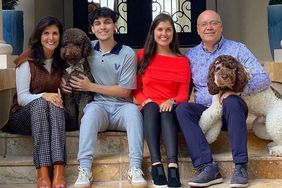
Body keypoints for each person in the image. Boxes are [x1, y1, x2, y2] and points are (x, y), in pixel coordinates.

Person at [175, 10, 271, 188]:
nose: (209, 27)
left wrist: (239, 91)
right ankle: (208, 167)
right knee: (182, 110)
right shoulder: (191, 55)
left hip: (231, 111)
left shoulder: (238, 49)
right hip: (206, 112)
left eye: (213, 23)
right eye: (204, 24)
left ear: (221, 26)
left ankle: (241, 167)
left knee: (231, 102)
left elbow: (264, 78)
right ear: (197, 30)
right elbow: (183, 89)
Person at [61, 7, 147, 188]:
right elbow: (65, 61)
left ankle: (135, 168)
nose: (102, 27)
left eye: (107, 22)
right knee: (89, 113)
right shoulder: (87, 48)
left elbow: (125, 92)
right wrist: (61, 81)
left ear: (115, 25)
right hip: (98, 106)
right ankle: (84, 169)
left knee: (134, 112)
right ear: (92, 29)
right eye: (97, 23)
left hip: (122, 107)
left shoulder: (127, 53)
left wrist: (90, 86)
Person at [1, 16, 66, 188]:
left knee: (56, 103)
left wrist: (62, 91)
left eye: (55, 33)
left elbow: (59, 91)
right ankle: (43, 172)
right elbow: (22, 98)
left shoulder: (61, 60)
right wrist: (45, 95)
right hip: (22, 117)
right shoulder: (27, 59)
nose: (51, 38)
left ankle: (59, 170)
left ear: (60, 36)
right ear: (39, 36)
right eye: (46, 33)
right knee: (42, 103)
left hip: (49, 115)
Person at [134, 13, 190, 188]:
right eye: (160, 29)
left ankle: (173, 166)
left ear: (173, 33)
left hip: (170, 108)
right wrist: (145, 100)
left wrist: (172, 100)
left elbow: (184, 95)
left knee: (165, 113)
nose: (164, 33)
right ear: (153, 32)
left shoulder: (182, 61)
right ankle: (156, 164)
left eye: (168, 29)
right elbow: (136, 89)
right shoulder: (142, 56)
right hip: (148, 107)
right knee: (151, 107)